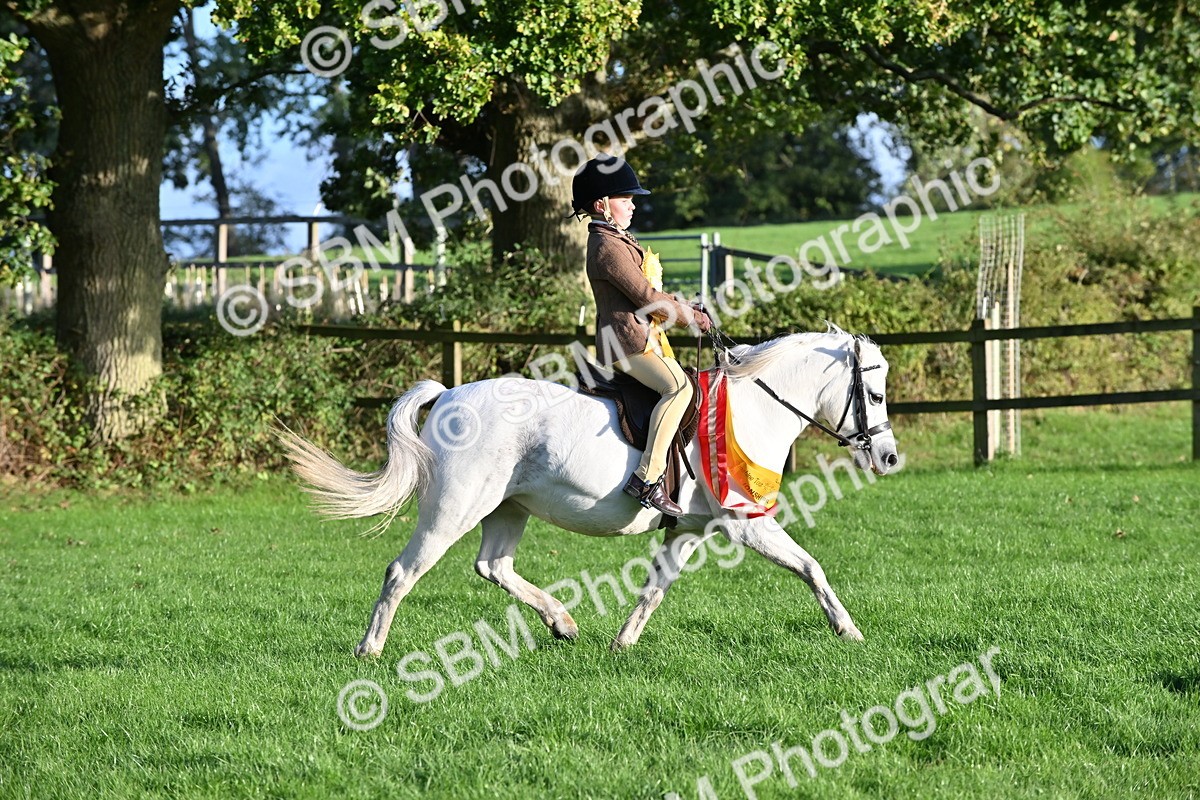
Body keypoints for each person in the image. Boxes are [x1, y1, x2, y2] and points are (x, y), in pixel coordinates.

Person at [571, 154, 712, 516]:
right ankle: (647, 479)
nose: (633, 206)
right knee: (679, 388)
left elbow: (652, 292)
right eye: (626, 199)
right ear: (602, 205)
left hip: (638, 339)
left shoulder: (619, 239)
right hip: (626, 343)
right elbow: (647, 298)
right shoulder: (607, 247)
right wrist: (689, 318)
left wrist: (684, 305)